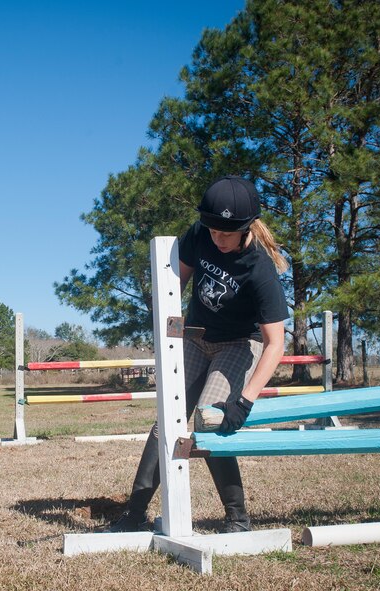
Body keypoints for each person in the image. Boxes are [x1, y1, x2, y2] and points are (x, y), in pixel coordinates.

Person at [109, 175, 289, 533]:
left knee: (209, 420)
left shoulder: (260, 269)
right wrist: (167, 327)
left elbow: (275, 343)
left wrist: (246, 401)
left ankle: (238, 520)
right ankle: (133, 514)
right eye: (213, 232)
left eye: (226, 234)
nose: (217, 240)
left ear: (245, 228)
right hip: (196, 336)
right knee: (166, 422)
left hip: (239, 343)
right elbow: (176, 286)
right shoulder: (200, 234)